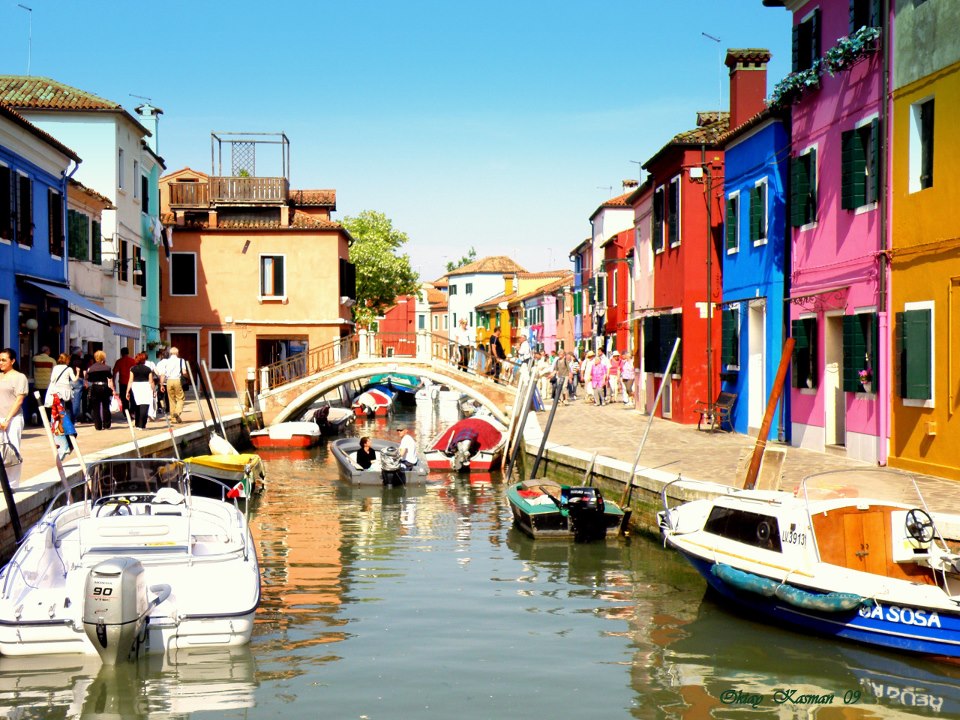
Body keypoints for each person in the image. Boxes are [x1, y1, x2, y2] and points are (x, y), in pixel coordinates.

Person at [0, 348, 28, 489]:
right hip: (0, 418)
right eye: (0, 360)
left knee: (13, 449)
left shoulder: (19, 377)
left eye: (4, 360)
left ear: (12, 361)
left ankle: (12, 485)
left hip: (13, 418)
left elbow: (19, 399)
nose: (1, 362)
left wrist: (8, 419)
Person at [84, 350, 115, 431]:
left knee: (96, 407)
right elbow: (110, 379)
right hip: (104, 387)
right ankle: (107, 425)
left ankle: (98, 426)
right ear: (103, 358)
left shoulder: (91, 368)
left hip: (95, 387)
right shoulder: (107, 368)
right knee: (106, 406)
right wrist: (113, 390)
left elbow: (87, 379)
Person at [157, 347, 187, 423]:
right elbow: (184, 372)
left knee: (171, 400)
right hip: (177, 380)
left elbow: (163, 374)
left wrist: (161, 385)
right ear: (177, 353)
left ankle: (173, 419)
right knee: (181, 398)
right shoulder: (181, 360)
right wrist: (187, 376)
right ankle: (177, 412)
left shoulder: (167, 362)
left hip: (169, 381)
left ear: (170, 353)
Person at [45, 353, 78, 422]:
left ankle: (55, 422)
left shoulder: (55, 367)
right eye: (68, 359)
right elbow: (74, 380)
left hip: (56, 390)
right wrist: (78, 372)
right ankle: (69, 423)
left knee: (56, 407)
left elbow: (52, 379)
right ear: (66, 360)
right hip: (66, 390)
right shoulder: (69, 369)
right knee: (68, 407)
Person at [127, 352, 156, 429]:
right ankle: (142, 424)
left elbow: (130, 380)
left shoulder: (132, 369)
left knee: (137, 405)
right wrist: (154, 390)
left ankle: (137, 424)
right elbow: (151, 381)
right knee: (145, 405)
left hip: (135, 386)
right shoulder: (148, 369)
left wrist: (127, 391)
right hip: (146, 386)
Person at [31, 345, 55, 425]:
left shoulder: (35, 359)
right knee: (46, 403)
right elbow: (54, 372)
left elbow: (32, 358)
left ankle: (34, 414)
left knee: (37, 402)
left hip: (37, 384)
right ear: (47, 351)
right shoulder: (52, 360)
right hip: (47, 385)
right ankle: (44, 419)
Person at [112, 347, 136, 416]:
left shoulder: (119, 361)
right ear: (128, 352)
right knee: (132, 397)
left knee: (124, 398)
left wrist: (113, 382)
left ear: (121, 353)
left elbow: (114, 372)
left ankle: (126, 412)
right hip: (132, 382)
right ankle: (132, 411)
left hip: (123, 382)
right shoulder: (133, 361)